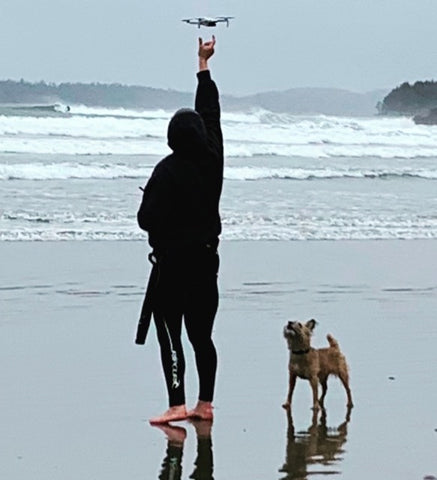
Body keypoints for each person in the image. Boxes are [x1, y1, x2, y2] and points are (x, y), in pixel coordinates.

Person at [137, 35, 223, 424]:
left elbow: (146, 220)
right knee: (202, 335)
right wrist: (203, 66)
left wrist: (151, 201)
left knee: (171, 334)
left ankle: (177, 404)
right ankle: (205, 405)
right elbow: (211, 113)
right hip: (206, 262)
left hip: (173, 267)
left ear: (171, 139)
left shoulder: (166, 170)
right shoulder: (212, 160)